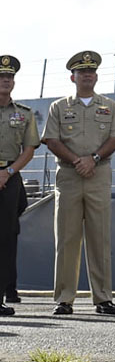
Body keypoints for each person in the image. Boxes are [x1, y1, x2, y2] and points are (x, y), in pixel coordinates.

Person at [41, 50, 115, 316]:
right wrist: (79, 161)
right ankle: (64, 299)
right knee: (66, 238)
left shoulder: (109, 106)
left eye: (91, 71)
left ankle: (103, 298)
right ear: (72, 77)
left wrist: (94, 158)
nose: (87, 75)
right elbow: (51, 140)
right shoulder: (59, 107)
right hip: (68, 176)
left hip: (99, 174)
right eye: (82, 72)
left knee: (100, 237)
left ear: (96, 76)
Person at [0, 55, 40, 317]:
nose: (6, 81)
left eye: (9, 78)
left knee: (4, 239)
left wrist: (8, 172)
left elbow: (29, 149)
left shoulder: (23, 114)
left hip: (10, 177)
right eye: (2, 77)